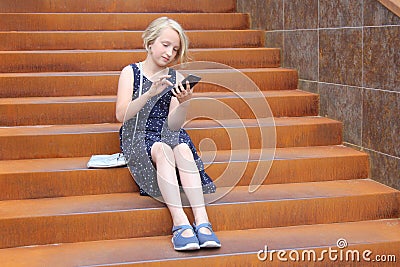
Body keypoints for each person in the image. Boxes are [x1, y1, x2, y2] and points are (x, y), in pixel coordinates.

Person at [115, 17, 221, 251]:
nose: (169, 52)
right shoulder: (130, 72)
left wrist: (183, 104)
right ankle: (180, 222)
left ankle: (202, 221)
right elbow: (122, 115)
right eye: (165, 44)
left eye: (175, 49)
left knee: (182, 148)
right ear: (150, 42)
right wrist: (150, 93)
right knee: (163, 150)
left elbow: (174, 125)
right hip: (138, 133)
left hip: (167, 132)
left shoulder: (176, 78)